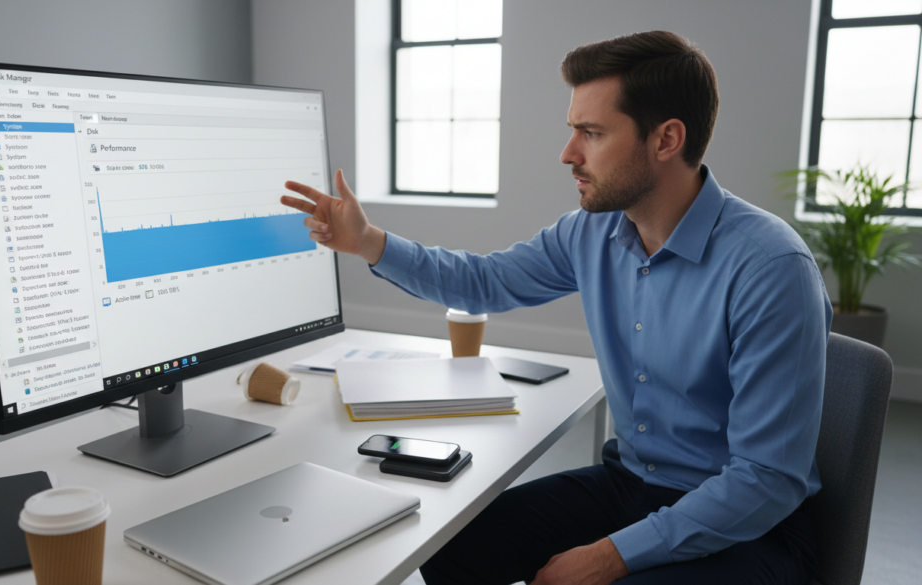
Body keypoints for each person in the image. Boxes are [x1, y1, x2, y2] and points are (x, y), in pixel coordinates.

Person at [281, 30, 830, 585]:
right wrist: (369, 241)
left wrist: (609, 555)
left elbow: (766, 480)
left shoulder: (770, 267)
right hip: (632, 484)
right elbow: (484, 281)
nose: (568, 153)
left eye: (591, 133)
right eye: (574, 130)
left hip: (749, 525)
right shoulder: (591, 233)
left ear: (666, 139)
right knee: (452, 548)